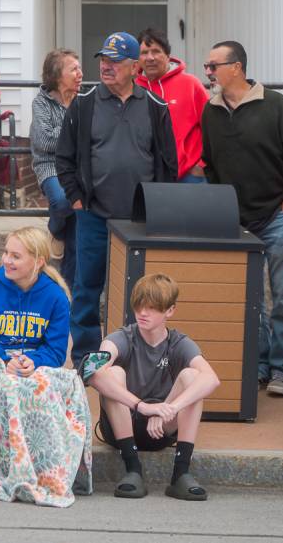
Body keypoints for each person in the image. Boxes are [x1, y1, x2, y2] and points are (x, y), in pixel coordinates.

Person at [0, 226, 92, 507]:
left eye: (16, 256)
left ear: (38, 261)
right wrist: (5, 360)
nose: (6, 261)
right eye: (6, 253)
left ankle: (46, 472)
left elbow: (56, 351)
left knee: (38, 386)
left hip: (35, 367)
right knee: (4, 385)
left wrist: (32, 361)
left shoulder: (56, 296)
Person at [56, 31, 178, 365]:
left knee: (139, 294)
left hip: (140, 220)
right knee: (86, 289)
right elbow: (64, 158)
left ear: (135, 67)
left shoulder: (155, 107)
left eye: (115, 61)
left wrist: (160, 207)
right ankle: (85, 358)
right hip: (93, 214)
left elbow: (168, 162)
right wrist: (77, 199)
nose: (107, 67)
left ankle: (132, 357)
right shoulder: (83, 105)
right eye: (103, 60)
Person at [200, 39, 283, 396]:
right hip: (236, 221)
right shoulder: (211, 111)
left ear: (236, 68)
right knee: (251, 299)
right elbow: (210, 164)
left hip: (278, 217)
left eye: (213, 66)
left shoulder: (277, 106)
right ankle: (261, 366)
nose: (208, 72)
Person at [90, 273, 220, 501]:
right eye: (139, 306)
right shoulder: (122, 337)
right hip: (122, 425)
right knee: (112, 372)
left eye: (151, 308)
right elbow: (91, 371)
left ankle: (181, 473)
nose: (142, 313)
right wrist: (142, 407)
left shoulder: (178, 343)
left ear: (170, 311)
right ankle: (132, 469)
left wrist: (167, 408)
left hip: (161, 428)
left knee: (193, 377)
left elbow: (212, 379)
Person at [29, 48, 83, 287]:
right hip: (49, 165)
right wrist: (74, 137)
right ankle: (55, 230)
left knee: (77, 227)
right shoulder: (41, 102)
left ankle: (68, 289)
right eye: (74, 69)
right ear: (57, 74)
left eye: (79, 68)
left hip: (78, 166)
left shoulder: (84, 100)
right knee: (62, 202)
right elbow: (44, 142)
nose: (80, 73)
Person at [136, 27, 208, 183]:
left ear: (167, 56)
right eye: (144, 53)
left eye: (156, 51)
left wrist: (202, 165)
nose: (150, 58)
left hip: (189, 176)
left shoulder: (191, 84)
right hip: (146, 177)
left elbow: (212, 127)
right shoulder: (132, 88)